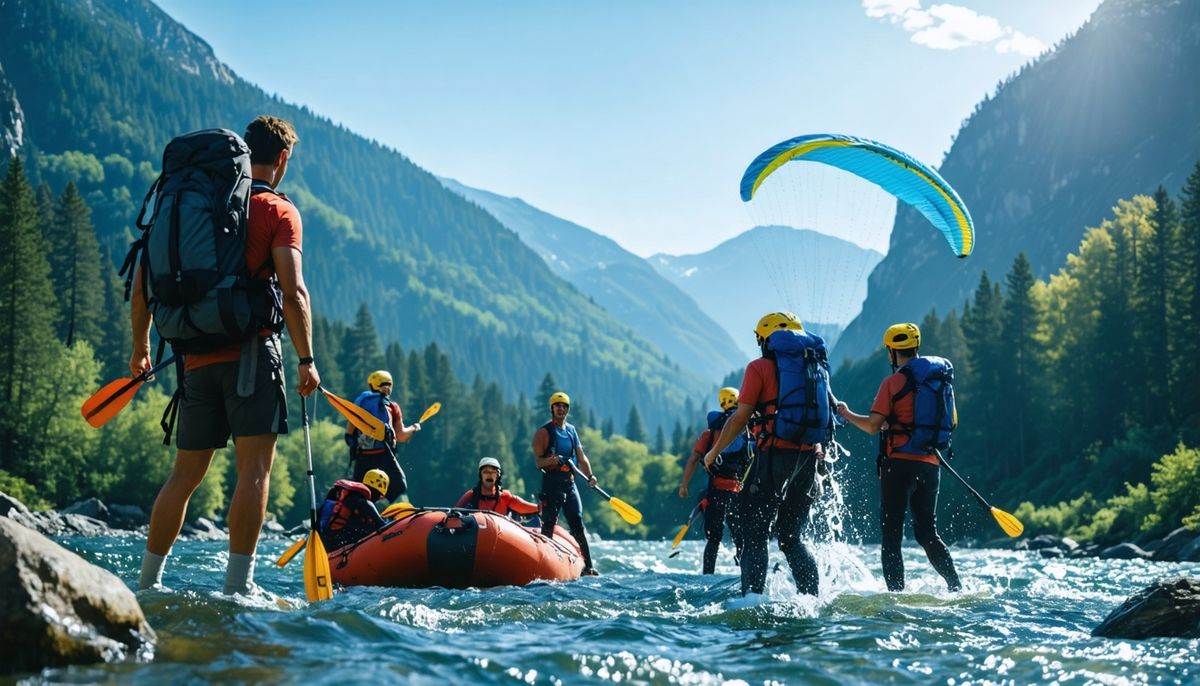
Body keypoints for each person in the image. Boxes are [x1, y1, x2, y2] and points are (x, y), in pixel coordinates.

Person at [133, 116, 319, 594]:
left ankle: (147, 585)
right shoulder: (276, 211)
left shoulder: (195, 204)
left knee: (186, 474)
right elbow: (293, 290)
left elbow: (142, 279)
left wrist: (139, 348)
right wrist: (306, 359)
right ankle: (239, 587)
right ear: (281, 158)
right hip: (252, 357)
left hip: (193, 358)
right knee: (253, 470)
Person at [703, 312, 825, 604]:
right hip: (807, 458)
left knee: (754, 532)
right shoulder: (816, 368)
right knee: (791, 537)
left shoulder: (759, 368)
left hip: (773, 454)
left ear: (764, 340)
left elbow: (739, 418)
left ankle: (753, 602)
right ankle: (813, 601)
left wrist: (713, 452)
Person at [835, 322, 962, 592]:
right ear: (916, 347)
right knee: (928, 533)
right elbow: (951, 423)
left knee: (891, 536)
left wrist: (846, 414)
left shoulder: (893, 382)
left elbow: (871, 426)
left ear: (892, 352)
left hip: (899, 465)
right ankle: (956, 586)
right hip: (930, 464)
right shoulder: (939, 382)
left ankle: (896, 595)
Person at [679, 387, 749, 574]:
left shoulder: (709, 433)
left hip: (715, 492)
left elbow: (693, 459)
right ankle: (745, 575)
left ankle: (708, 575)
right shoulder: (747, 429)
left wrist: (684, 485)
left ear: (722, 403)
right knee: (741, 537)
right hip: (739, 493)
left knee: (713, 538)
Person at [531, 391, 600, 576]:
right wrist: (553, 461)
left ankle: (589, 567)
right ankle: (542, 566)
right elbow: (538, 462)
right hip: (551, 483)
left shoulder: (571, 431)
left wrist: (590, 475)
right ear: (552, 408)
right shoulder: (544, 432)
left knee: (577, 523)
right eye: (557, 406)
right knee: (548, 524)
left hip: (570, 484)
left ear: (567, 409)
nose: (560, 409)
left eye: (563, 406)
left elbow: (581, 457)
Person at [344, 369, 420, 503]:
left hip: (363, 459)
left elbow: (349, 435)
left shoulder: (361, 402)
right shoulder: (392, 406)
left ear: (372, 385)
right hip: (385, 457)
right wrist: (414, 428)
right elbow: (401, 436)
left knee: (359, 494)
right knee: (399, 490)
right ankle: (399, 519)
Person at [318, 469, 389, 551]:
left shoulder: (346, 496)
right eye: (380, 497)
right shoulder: (364, 503)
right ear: (379, 494)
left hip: (327, 544)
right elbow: (383, 526)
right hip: (338, 546)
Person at [455, 457, 540, 519]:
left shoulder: (505, 496)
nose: (489, 475)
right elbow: (454, 513)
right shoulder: (471, 495)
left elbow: (522, 506)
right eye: (486, 472)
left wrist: (540, 507)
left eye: (493, 472)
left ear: (498, 476)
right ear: (481, 475)